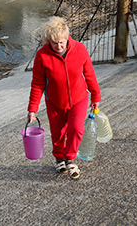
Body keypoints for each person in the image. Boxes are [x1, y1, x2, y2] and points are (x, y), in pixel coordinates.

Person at [27, 16, 101, 180]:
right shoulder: (42, 56)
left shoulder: (80, 49)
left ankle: (70, 158)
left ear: (67, 38)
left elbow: (89, 74)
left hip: (79, 99)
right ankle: (59, 158)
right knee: (57, 133)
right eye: (54, 43)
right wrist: (32, 109)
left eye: (62, 42)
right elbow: (37, 84)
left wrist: (96, 95)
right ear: (48, 41)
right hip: (54, 102)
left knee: (76, 129)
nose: (59, 46)